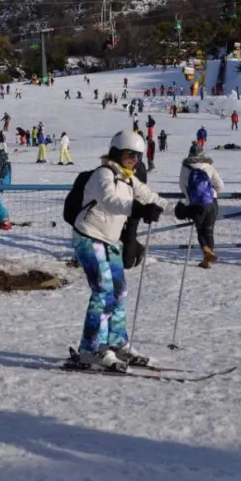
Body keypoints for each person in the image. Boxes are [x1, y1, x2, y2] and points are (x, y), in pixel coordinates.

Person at [71, 131, 167, 369]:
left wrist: (184, 209)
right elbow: (109, 201)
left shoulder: (128, 178)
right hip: (88, 236)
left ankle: (117, 343)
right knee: (103, 291)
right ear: (116, 153)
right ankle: (91, 349)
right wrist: (138, 210)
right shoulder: (103, 174)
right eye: (129, 154)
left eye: (138, 156)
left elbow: (152, 198)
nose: (134, 159)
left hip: (111, 241)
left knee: (119, 291)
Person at [178, 147, 225, 269]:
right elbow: (220, 185)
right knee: (209, 231)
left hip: (196, 205)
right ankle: (208, 260)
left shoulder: (185, 167)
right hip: (211, 202)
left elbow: (182, 187)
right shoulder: (208, 165)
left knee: (200, 232)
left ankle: (206, 251)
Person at [120, 159, 148, 270]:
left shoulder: (130, 165)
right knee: (123, 231)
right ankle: (136, 251)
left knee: (129, 231)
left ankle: (128, 260)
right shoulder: (140, 165)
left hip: (132, 202)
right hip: (133, 201)